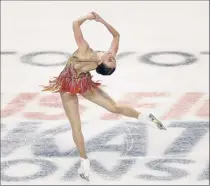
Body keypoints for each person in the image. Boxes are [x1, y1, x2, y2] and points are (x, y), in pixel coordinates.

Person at [42, 12, 166, 181]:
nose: (112, 57)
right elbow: (115, 35)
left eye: (111, 60)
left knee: (114, 107)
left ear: (101, 64)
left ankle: (146, 118)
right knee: (76, 125)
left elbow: (76, 24)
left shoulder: (85, 52)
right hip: (68, 86)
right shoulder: (101, 53)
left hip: (82, 83)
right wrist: (101, 21)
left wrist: (87, 18)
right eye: (113, 59)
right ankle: (84, 162)